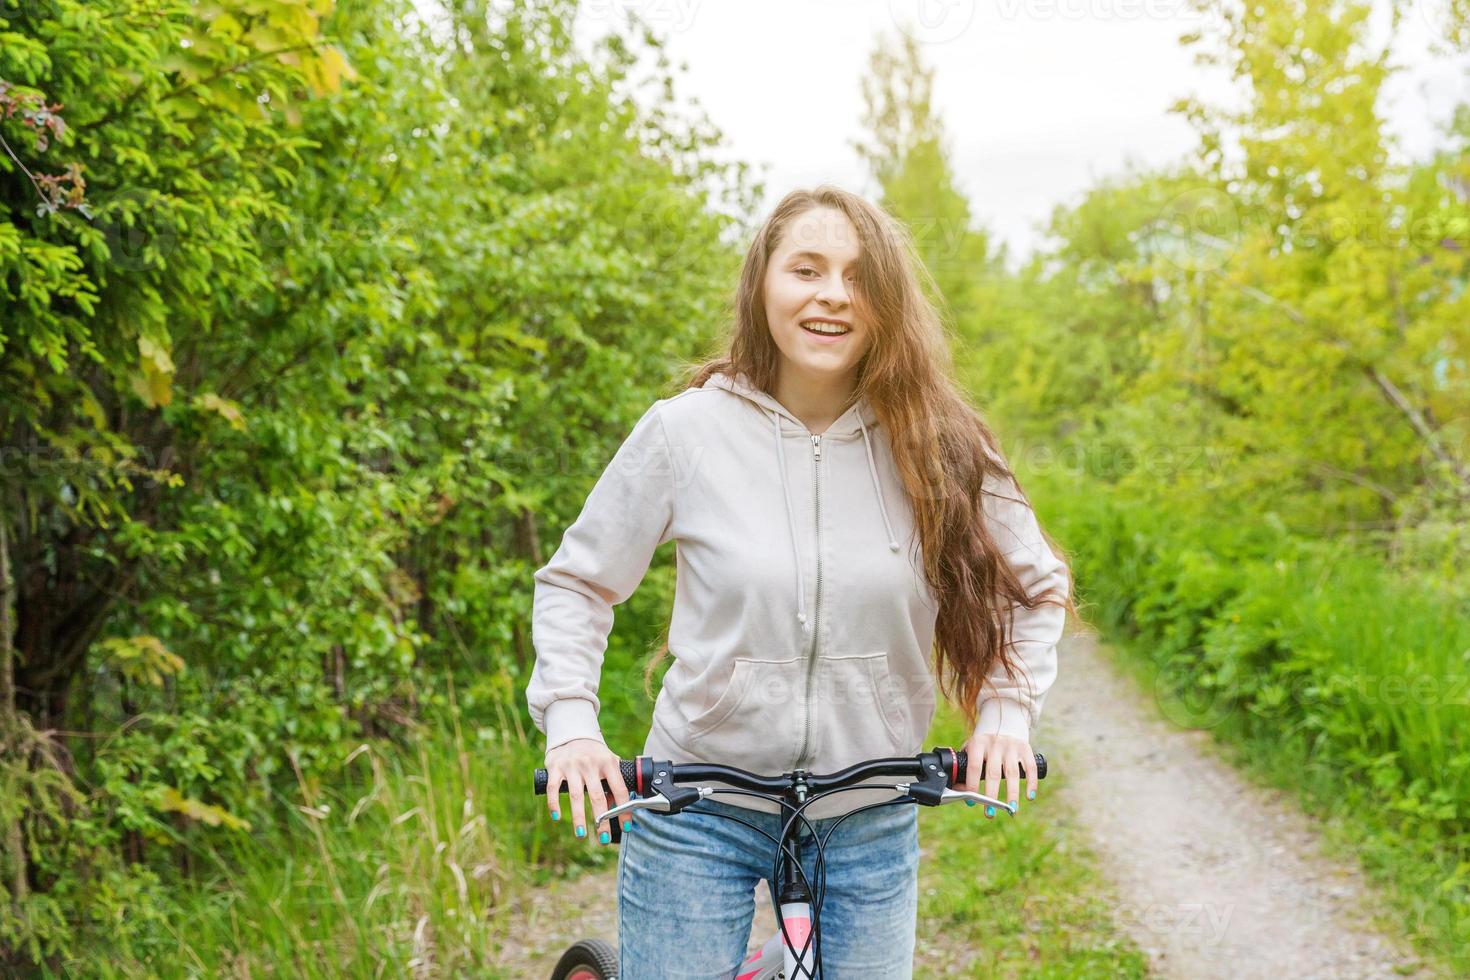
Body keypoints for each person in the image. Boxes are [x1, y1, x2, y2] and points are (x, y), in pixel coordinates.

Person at [525, 185, 1075, 977]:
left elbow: (1036, 586)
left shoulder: (938, 440)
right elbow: (579, 583)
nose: (832, 296)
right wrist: (572, 726)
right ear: (763, 286)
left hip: (868, 818)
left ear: (886, 302)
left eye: (858, 277)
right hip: (698, 811)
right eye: (806, 270)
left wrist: (1007, 715)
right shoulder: (686, 432)